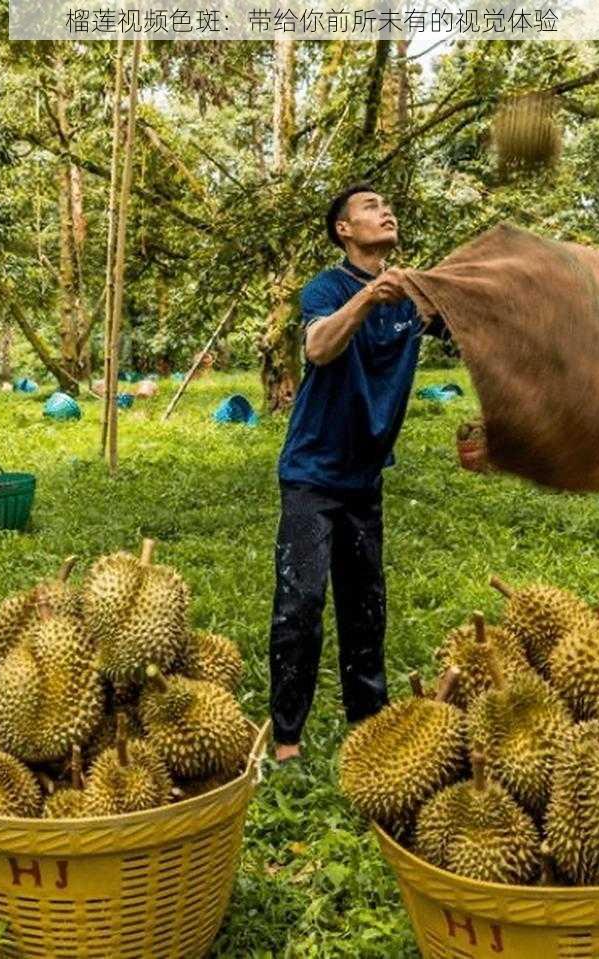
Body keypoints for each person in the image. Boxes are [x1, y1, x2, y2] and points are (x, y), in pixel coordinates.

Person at [269, 183, 450, 763]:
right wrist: (372, 296)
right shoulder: (328, 288)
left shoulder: (413, 296)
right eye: (371, 207)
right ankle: (287, 739)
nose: (385, 210)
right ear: (344, 230)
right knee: (300, 603)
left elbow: (475, 329)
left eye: (386, 204)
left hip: (364, 478)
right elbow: (319, 347)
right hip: (312, 472)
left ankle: (368, 725)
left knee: (365, 603)